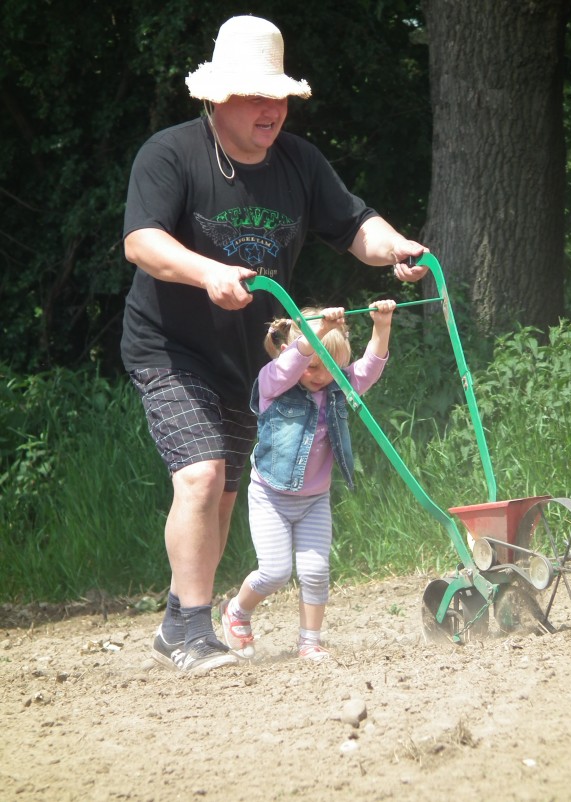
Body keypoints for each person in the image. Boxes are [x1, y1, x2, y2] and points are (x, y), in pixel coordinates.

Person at [121, 14, 429, 675]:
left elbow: (357, 226)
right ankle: (190, 631)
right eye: (256, 96)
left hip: (249, 361)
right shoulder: (170, 155)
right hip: (171, 349)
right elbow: (140, 241)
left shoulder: (299, 163)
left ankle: (179, 617)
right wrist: (208, 272)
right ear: (217, 98)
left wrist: (396, 247)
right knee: (201, 477)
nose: (272, 110)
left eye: (279, 96)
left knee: (227, 493)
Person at [220, 299, 397, 662]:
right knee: (274, 572)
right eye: (312, 366)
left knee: (316, 571)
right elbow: (292, 365)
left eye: (329, 369)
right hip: (270, 496)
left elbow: (370, 368)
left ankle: (309, 641)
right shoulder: (275, 383)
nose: (319, 376)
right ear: (295, 354)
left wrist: (382, 325)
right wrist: (315, 335)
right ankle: (237, 611)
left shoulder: (337, 385)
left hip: (315, 499)